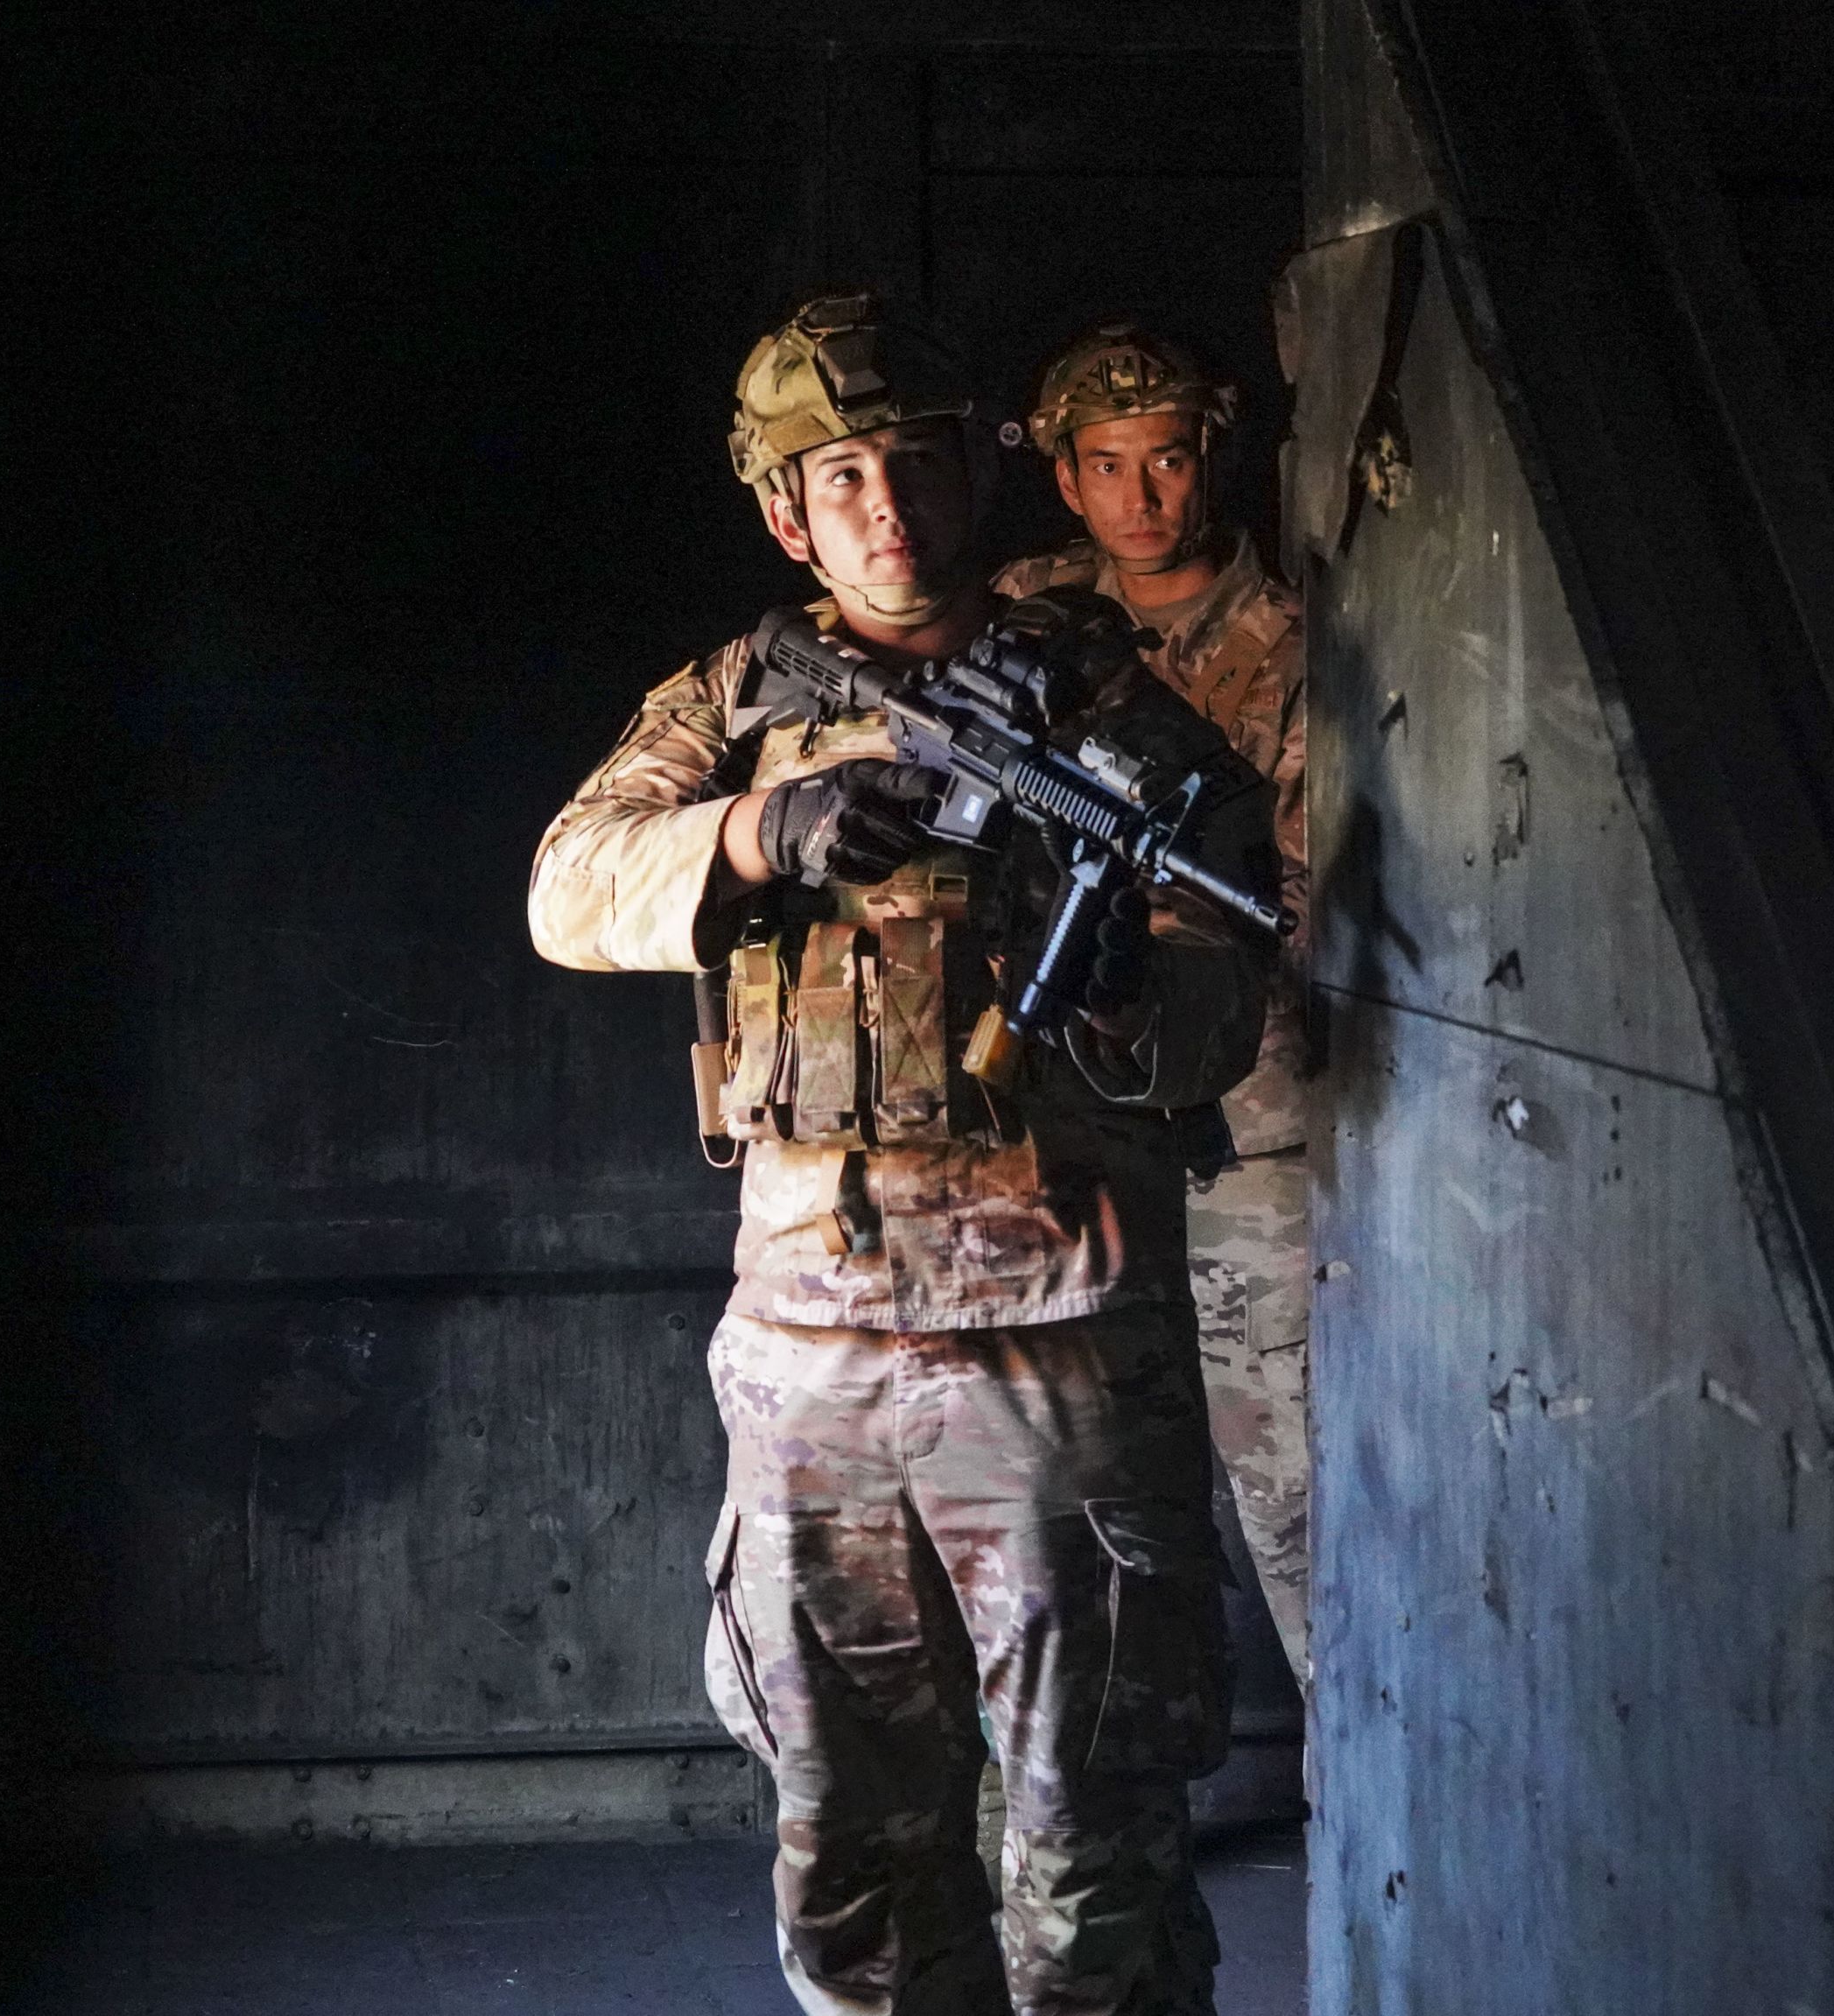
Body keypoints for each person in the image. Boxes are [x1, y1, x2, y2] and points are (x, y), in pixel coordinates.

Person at [530, 289, 1274, 2016]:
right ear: (787, 511)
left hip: (1055, 1345)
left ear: (970, 483)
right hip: (806, 1358)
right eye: (839, 475)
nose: (884, 505)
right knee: (846, 1848)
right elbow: (568, 889)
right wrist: (754, 826)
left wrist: (1097, 982)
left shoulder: (1100, 704)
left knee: (1088, 1861)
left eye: (914, 464)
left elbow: (1225, 992)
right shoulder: (735, 697)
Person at [995, 321, 1315, 1684]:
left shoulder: (1292, 646)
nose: (1141, 497)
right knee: (1055, 1491)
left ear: (1211, 463)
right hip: (1055, 1129)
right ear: (1067, 480)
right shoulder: (1027, 621)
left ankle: (1359, 1804)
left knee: (1289, 1487)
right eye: (1108, 466)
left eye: (1168, 459)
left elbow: (1300, 885)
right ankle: (1100, 1802)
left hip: (1249, 1119)